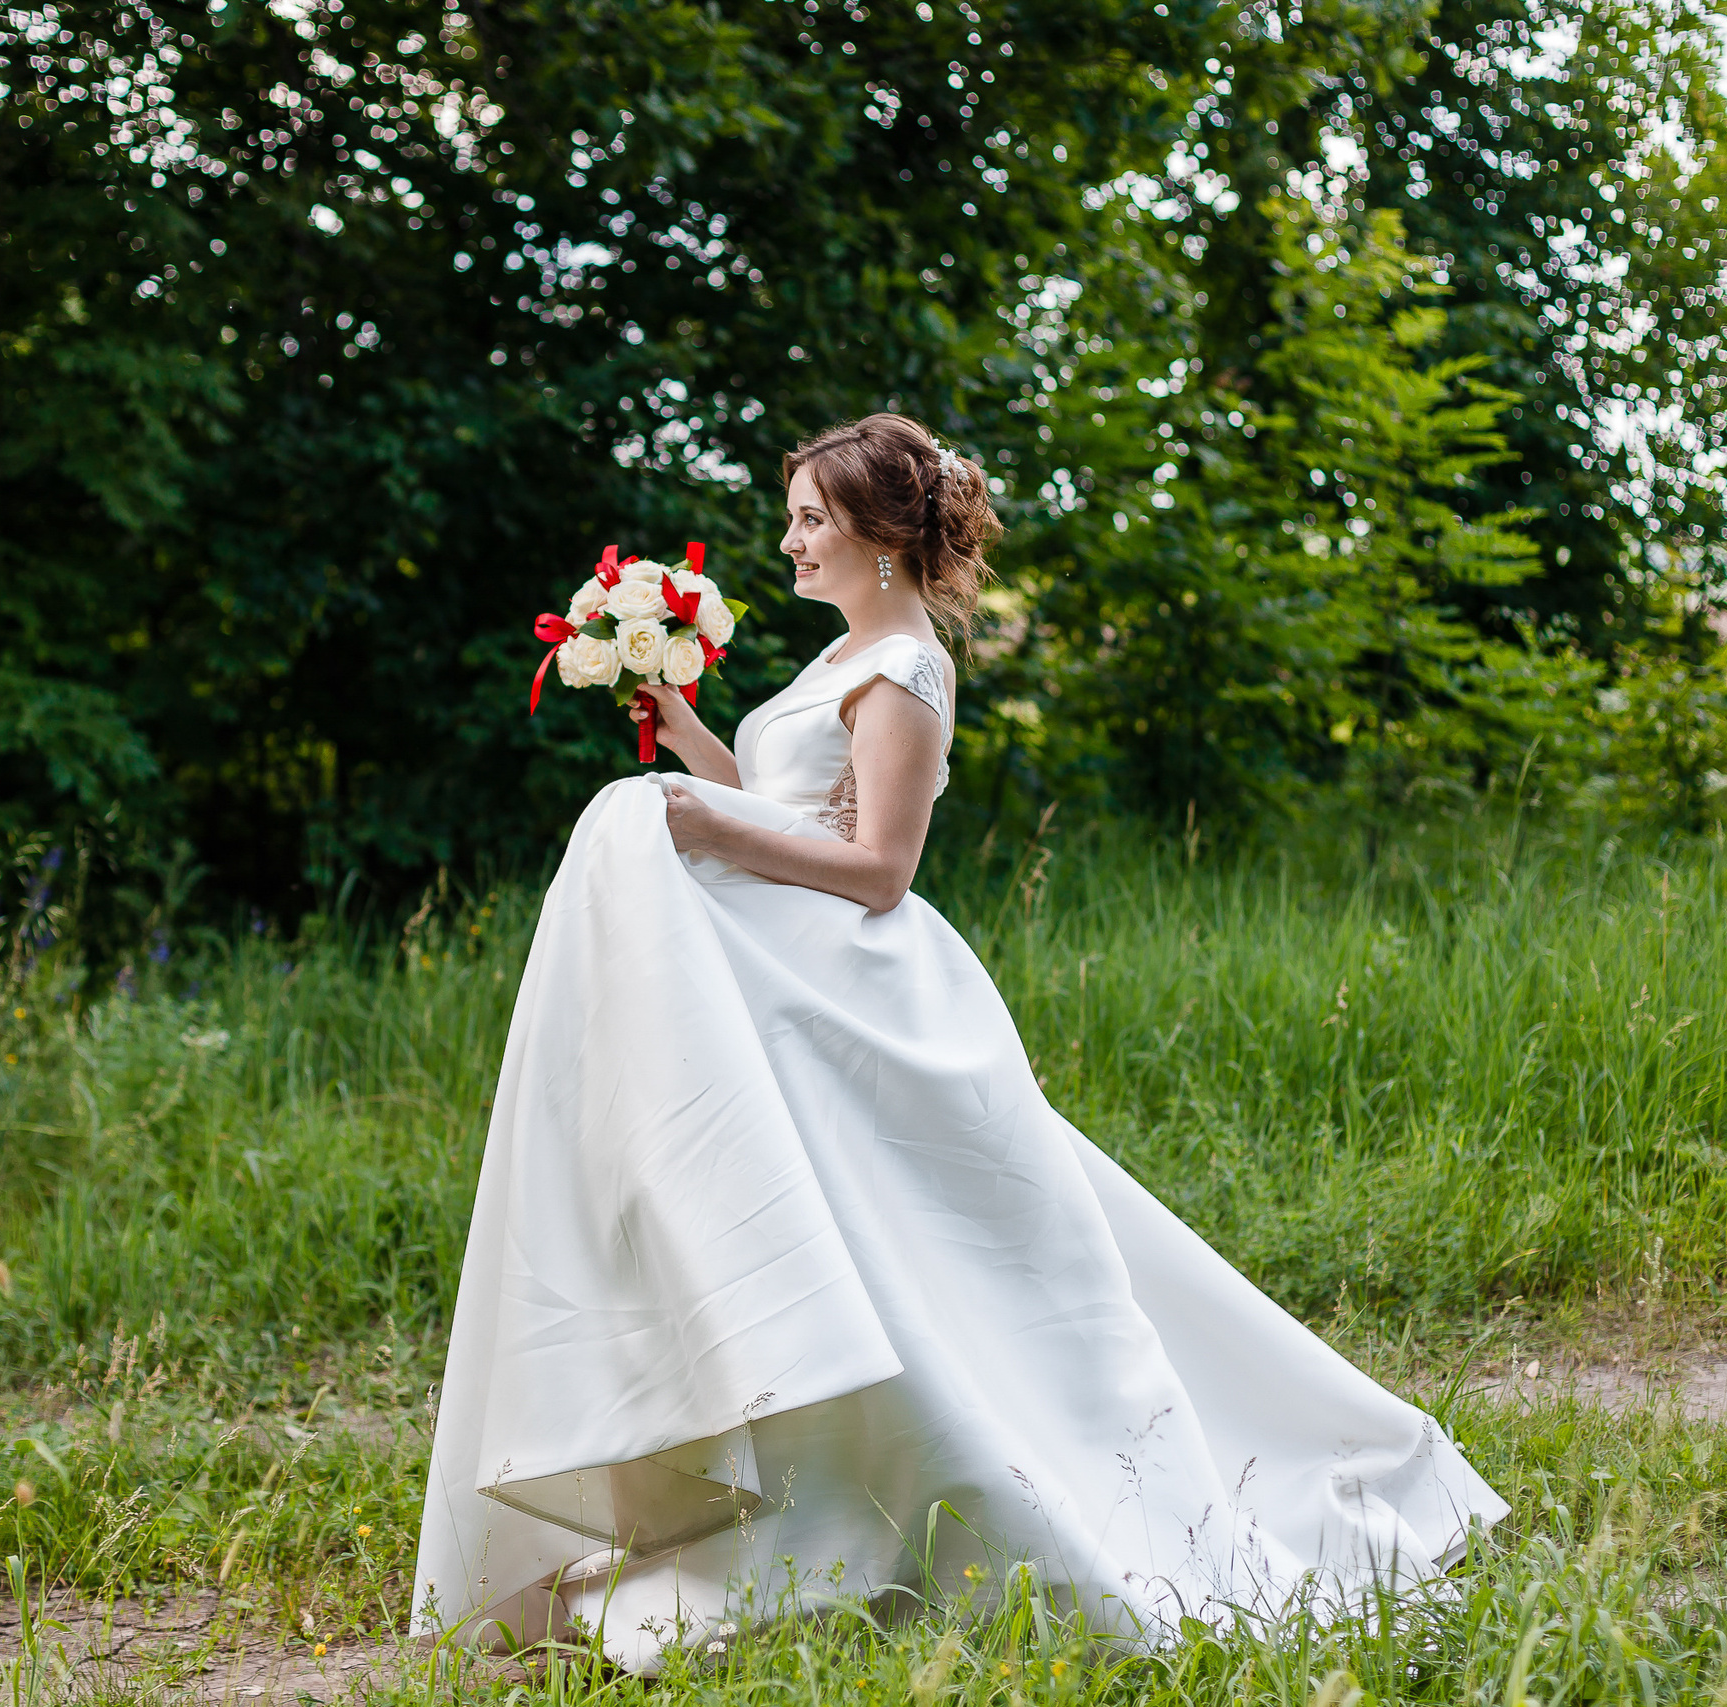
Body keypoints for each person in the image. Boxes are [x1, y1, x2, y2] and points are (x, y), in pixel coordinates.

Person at [412, 413, 1506, 1670]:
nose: (791, 540)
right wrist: (681, 742)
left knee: (916, 1255)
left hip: (856, 981)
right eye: (794, 517)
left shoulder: (906, 672)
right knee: (811, 1233)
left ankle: (930, 1500)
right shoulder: (839, 657)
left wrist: (690, 826)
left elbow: (876, 867)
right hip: (783, 976)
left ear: (883, 534)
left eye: (814, 518)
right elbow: (769, 806)